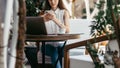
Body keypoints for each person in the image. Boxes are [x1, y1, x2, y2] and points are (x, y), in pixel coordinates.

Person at [40, 0, 70, 68]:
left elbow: (67, 30)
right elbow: (38, 28)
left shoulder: (64, 12)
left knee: (60, 51)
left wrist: (55, 19)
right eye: (50, 0)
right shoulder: (43, 13)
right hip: (47, 45)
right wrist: (43, 19)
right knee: (54, 50)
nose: (53, 2)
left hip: (61, 44)